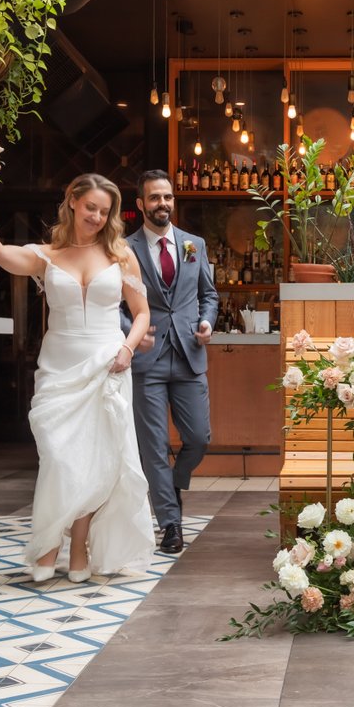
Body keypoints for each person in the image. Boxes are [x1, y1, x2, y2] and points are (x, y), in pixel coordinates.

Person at [0, 174, 156, 583]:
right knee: (59, 459)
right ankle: (48, 545)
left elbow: (142, 313)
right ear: (72, 201)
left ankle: (79, 547)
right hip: (59, 367)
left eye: (104, 211)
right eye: (91, 207)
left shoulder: (121, 256)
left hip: (107, 364)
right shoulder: (46, 256)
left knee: (98, 461)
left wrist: (127, 349)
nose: (97, 217)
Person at [122, 170, 218, 553]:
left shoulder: (195, 245)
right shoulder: (124, 248)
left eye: (168, 197)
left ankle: (176, 482)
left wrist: (207, 321)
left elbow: (208, 295)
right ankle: (170, 524)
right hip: (147, 359)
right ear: (140, 204)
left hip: (190, 354)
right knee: (154, 446)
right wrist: (131, 332)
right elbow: (114, 303)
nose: (163, 204)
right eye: (155, 198)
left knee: (199, 438)